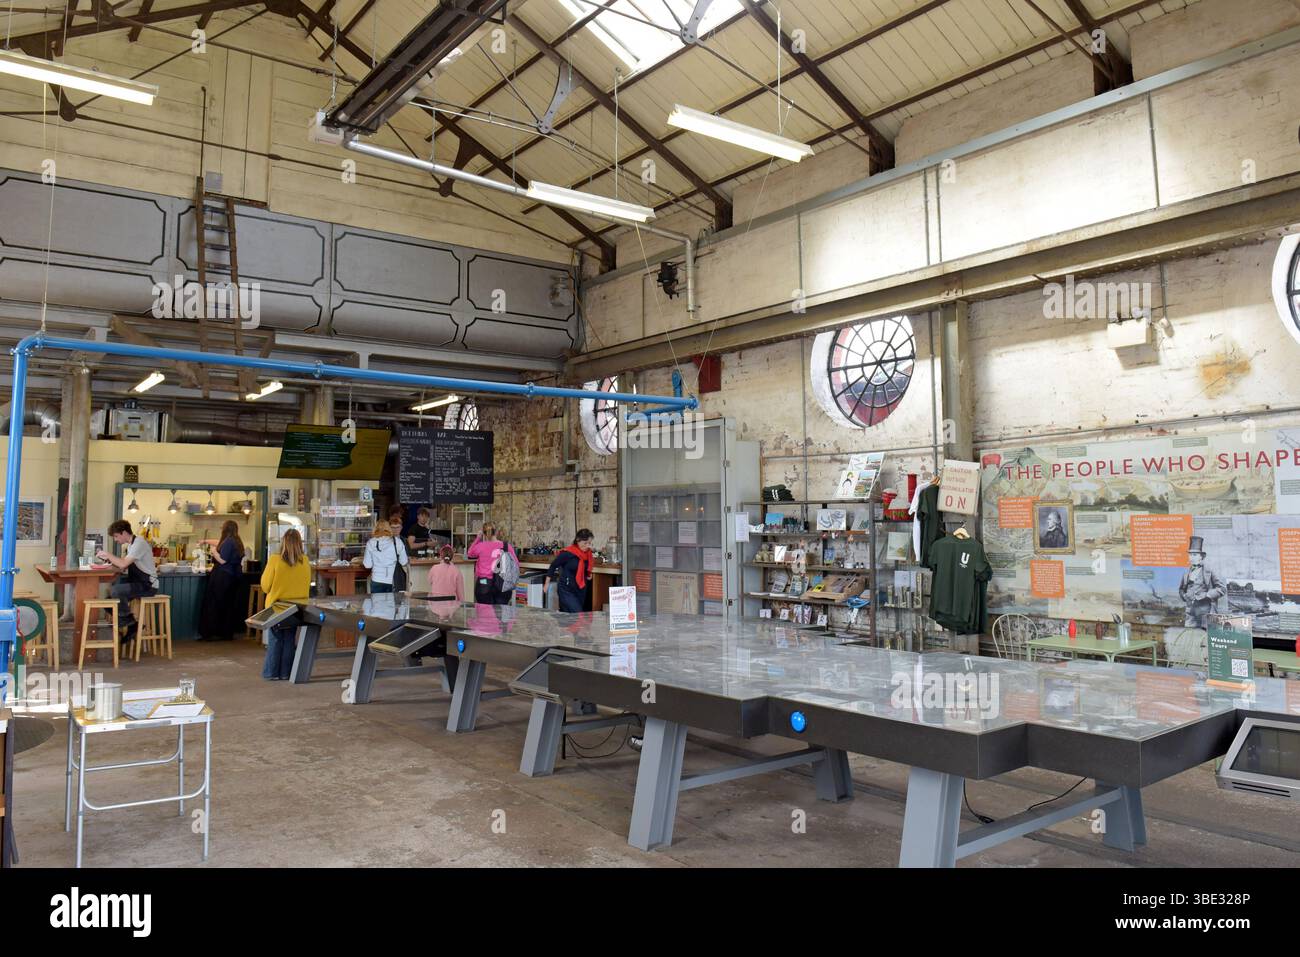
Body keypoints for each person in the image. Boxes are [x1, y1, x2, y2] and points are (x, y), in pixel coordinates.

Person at [96, 519, 158, 646]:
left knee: (116, 590)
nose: (115, 539)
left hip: (148, 585)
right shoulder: (131, 546)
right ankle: (132, 624)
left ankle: (130, 623)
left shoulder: (139, 543)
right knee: (107, 602)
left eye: (116, 536)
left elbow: (123, 564)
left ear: (124, 533)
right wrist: (109, 562)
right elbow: (123, 566)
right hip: (138, 583)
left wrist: (108, 555)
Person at [260, 528, 310, 680]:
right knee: (289, 639)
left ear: (283, 542)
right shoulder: (305, 561)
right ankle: (286, 673)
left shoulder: (275, 560)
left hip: (277, 607)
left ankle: (271, 673)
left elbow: (265, 586)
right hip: (297, 607)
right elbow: (307, 584)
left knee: (275, 639)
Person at [198, 520, 245, 641]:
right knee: (228, 605)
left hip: (223, 576)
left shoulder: (229, 541)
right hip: (234, 577)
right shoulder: (236, 541)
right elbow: (219, 543)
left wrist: (213, 552)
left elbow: (223, 560)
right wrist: (205, 541)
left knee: (214, 604)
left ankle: (210, 633)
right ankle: (226, 633)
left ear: (226, 529)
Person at [1179, 535, 1225, 628]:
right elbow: (1181, 589)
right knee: (1190, 636)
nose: (1191, 558)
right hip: (1190, 613)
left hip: (1206, 612)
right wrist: (1185, 596)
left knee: (1206, 637)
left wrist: (1207, 595)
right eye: (1190, 555)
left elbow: (1222, 589)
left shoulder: (1209, 571)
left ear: (1201, 557)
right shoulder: (1186, 573)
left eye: (1195, 555)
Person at [466, 523, 516, 605]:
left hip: (484, 582)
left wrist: (478, 537)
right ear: (496, 532)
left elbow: (469, 553)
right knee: (500, 613)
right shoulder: (506, 546)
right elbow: (515, 564)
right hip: (502, 583)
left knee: (484, 613)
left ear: (484, 534)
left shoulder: (480, 546)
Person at [545, 529, 594, 613]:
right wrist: (546, 584)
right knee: (577, 614)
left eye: (589, 543)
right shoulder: (568, 553)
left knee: (569, 617)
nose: (587, 546)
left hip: (580, 589)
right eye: (585, 543)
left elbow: (586, 568)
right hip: (567, 589)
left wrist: (589, 574)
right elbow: (553, 565)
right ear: (578, 540)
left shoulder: (588, 554)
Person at [363, 519, 409, 593]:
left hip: (377, 579)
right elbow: (404, 562)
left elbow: (367, 565)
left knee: (377, 603)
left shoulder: (370, 543)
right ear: (389, 528)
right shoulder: (397, 541)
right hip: (393, 580)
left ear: (375, 528)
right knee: (392, 604)